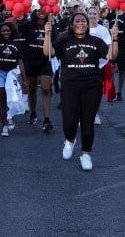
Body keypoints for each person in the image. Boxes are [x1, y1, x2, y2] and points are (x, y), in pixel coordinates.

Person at [43, 12, 118, 171]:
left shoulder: (95, 41)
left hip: (92, 86)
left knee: (87, 121)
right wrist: (47, 34)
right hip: (70, 86)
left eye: (83, 21)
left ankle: (86, 154)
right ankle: (70, 139)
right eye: (77, 21)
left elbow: (111, 56)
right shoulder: (64, 39)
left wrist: (115, 38)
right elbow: (47, 52)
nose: (81, 23)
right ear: (71, 24)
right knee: (69, 121)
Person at [21, 9, 54, 132]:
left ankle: (46, 119)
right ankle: (33, 112)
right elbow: (15, 28)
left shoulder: (50, 25)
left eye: (44, 10)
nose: (41, 12)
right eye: (39, 10)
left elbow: (54, 42)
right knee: (32, 89)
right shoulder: (28, 25)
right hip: (31, 60)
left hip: (45, 61)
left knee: (46, 88)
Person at [0, 20, 24, 137]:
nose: (6, 32)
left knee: (12, 98)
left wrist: (24, 80)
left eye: (8, 30)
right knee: (1, 98)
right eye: (3, 31)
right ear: (0, 32)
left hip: (12, 74)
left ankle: (10, 116)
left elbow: (20, 61)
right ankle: (4, 124)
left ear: (12, 31)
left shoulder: (16, 44)